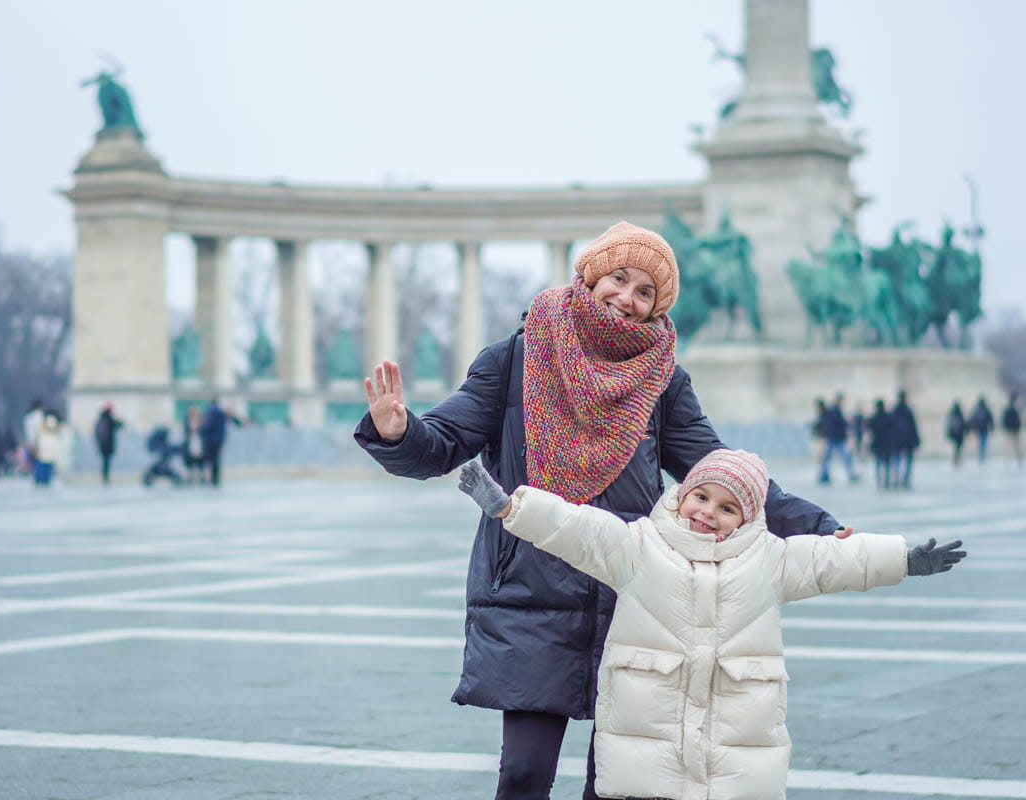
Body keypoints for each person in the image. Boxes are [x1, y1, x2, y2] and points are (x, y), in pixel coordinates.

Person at [355, 221, 850, 800]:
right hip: (530, 592)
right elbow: (443, 442)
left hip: (634, 597)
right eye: (619, 278)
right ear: (591, 276)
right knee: (522, 775)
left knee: (616, 784)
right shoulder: (514, 357)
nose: (629, 299)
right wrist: (400, 433)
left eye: (646, 292)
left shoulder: (662, 379)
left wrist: (817, 525)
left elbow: (718, 468)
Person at [457, 450, 966, 800]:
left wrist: (902, 558)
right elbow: (574, 529)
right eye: (702, 497)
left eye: (728, 508)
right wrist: (508, 507)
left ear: (747, 519)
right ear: (682, 496)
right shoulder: (639, 546)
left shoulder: (769, 560)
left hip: (735, 756)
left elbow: (833, 562)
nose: (709, 513)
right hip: (646, 751)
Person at [817, 392, 857, 484]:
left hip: (834, 437)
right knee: (844, 457)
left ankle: (824, 475)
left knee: (829, 458)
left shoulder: (832, 410)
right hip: (837, 438)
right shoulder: (836, 410)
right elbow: (839, 424)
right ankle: (850, 474)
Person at [199, 398, 240, 486]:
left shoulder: (210, 412)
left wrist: (201, 431)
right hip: (219, 440)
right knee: (216, 459)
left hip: (209, 440)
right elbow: (234, 421)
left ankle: (206, 478)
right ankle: (215, 479)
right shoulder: (221, 412)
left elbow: (207, 426)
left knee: (207, 459)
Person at [890, 390, 920, 489]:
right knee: (908, 461)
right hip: (908, 441)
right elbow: (913, 427)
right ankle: (905, 480)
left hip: (896, 441)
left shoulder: (894, 410)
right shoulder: (908, 411)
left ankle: (896, 479)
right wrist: (916, 440)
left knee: (896, 460)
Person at [867, 398, 897, 490]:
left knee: (878, 463)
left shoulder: (874, 418)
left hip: (877, 443)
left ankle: (879, 480)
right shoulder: (888, 417)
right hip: (887, 443)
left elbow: (869, 428)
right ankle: (886, 481)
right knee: (886, 464)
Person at [94, 403, 124, 485]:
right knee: (106, 462)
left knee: (105, 462)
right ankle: (105, 478)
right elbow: (119, 425)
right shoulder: (108, 419)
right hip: (107, 445)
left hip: (103, 445)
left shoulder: (102, 420)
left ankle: (105, 477)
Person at [33, 412, 63, 486]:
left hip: (44, 451)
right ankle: (44, 481)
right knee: (46, 468)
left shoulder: (41, 428)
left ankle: (41, 481)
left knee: (42, 468)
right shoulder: (54, 430)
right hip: (47, 452)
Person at [967, 396, 994, 463]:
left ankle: (980, 456)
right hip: (985, 430)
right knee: (983, 444)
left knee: (979, 444)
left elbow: (972, 420)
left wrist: (971, 429)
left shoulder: (976, 410)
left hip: (978, 430)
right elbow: (990, 420)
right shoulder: (986, 410)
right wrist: (992, 428)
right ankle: (982, 456)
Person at [183, 405, 206, 483]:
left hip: (199, 442)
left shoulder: (201, 421)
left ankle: (201, 477)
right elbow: (186, 431)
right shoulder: (187, 420)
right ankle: (189, 477)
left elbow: (203, 430)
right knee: (189, 461)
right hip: (190, 442)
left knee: (200, 461)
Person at [22, 399, 45, 474]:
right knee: (39, 460)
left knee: (33, 460)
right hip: (38, 441)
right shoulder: (39, 416)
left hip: (30, 441)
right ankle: (40, 477)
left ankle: (36, 476)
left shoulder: (28, 417)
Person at [1002, 393, 1024, 467]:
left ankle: (1010, 460)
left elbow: (1004, 419)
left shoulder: (1008, 408)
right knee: (1016, 446)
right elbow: (1017, 420)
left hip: (1010, 430)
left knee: (1010, 447)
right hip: (1014, 430)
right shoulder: (1015, 409)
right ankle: (1016, 460)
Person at [945, 401, 967, 468]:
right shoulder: (960, 413)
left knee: (955, 448)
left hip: (954, 435)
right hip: (959, 435)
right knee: (958, 448)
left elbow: (949, 425)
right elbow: (963, 424)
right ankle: (957, 459)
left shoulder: (952, 414)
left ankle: (955, 459)